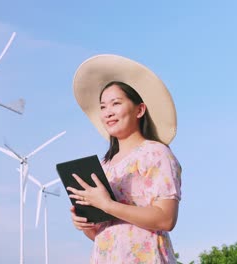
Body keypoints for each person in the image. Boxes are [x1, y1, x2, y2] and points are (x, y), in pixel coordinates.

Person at [68, 54, 182, 263]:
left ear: (139, 110)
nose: (108, 112)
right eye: (103, 107)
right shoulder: (104, 165)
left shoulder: (156, 153)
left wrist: (108, 205)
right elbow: (104, 233)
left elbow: (166, 219)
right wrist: (86, 225)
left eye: (115, 104)